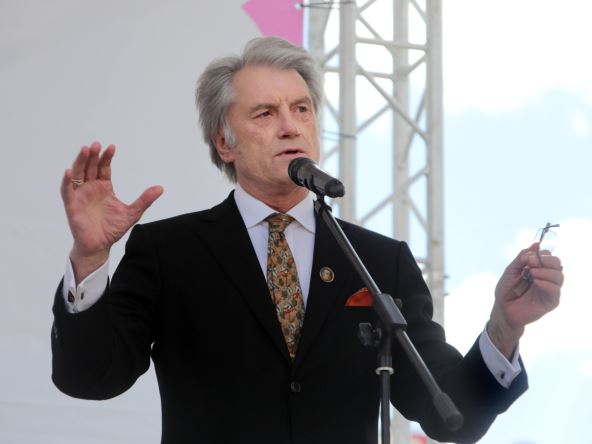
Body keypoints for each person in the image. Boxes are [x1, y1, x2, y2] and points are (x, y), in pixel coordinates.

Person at [51, 37, 564, 444]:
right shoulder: (170, 251)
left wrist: (504, 327)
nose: (290, 127)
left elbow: (452, 414)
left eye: (301, 109)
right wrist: (90, 258)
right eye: (265, 113)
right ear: (224, 142)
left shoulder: (378, 260)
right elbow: (91, 377)